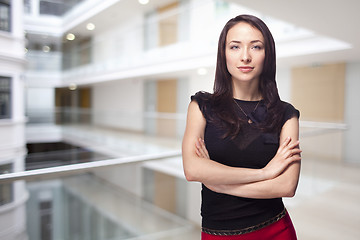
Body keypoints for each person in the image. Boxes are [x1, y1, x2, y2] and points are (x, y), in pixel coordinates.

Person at [182, 14, 301, 240]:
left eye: (256, 47)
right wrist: (265, 173)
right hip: (218, 233)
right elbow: (193, 169)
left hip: (275, 230)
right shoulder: (202, 106)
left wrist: (220, 184)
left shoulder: (285, 114)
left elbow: (286, 185)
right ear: (223, 54)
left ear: (268, 55)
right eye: (235, 46)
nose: (245, 56)